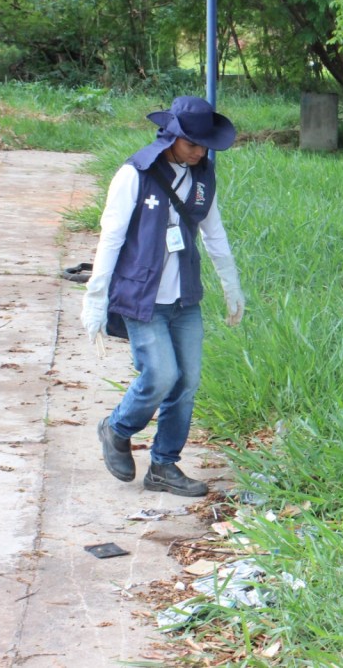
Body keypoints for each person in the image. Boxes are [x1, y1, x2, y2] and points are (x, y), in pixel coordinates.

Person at [80, 96, 246, 497]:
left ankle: (164, 466)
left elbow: (214, 234)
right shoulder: (133, 174)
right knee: (161, 375)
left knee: (186, 382)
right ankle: (116, 428)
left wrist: (231, 285)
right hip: (142, 297)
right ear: (172, 135)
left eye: (205, 145)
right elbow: (111, 238)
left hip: (185, 298)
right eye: (193, 144)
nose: (200, 151)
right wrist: (95, 299)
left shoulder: (202, 176)